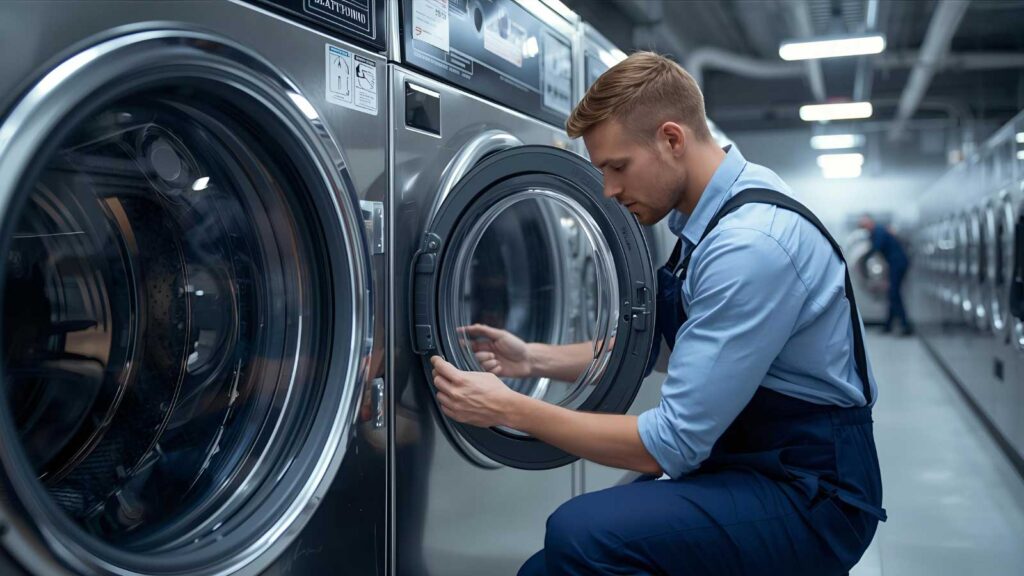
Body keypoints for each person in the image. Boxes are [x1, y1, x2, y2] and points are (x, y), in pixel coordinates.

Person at [429, 52, 885, 575]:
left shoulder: (749, 245)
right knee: (546, 568)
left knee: (579, 534)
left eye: (616, 167)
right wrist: (532, 357)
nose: (609, 191)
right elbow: (668, 348)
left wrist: (509, 409)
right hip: (753, 461)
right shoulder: (716, 214)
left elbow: (672, 445)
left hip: (812, 496)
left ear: (672, 140)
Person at [859, 214, 914, 335]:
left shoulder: (878, 231)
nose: (863, 226)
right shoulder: (877, 231)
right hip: (895, 263)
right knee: (892, 293)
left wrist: (863, 259)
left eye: (864, 223)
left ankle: (905, 326)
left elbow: (876, 247)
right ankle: (888, 325)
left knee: (894, 293)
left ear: (870, 221)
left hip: (897, 263)